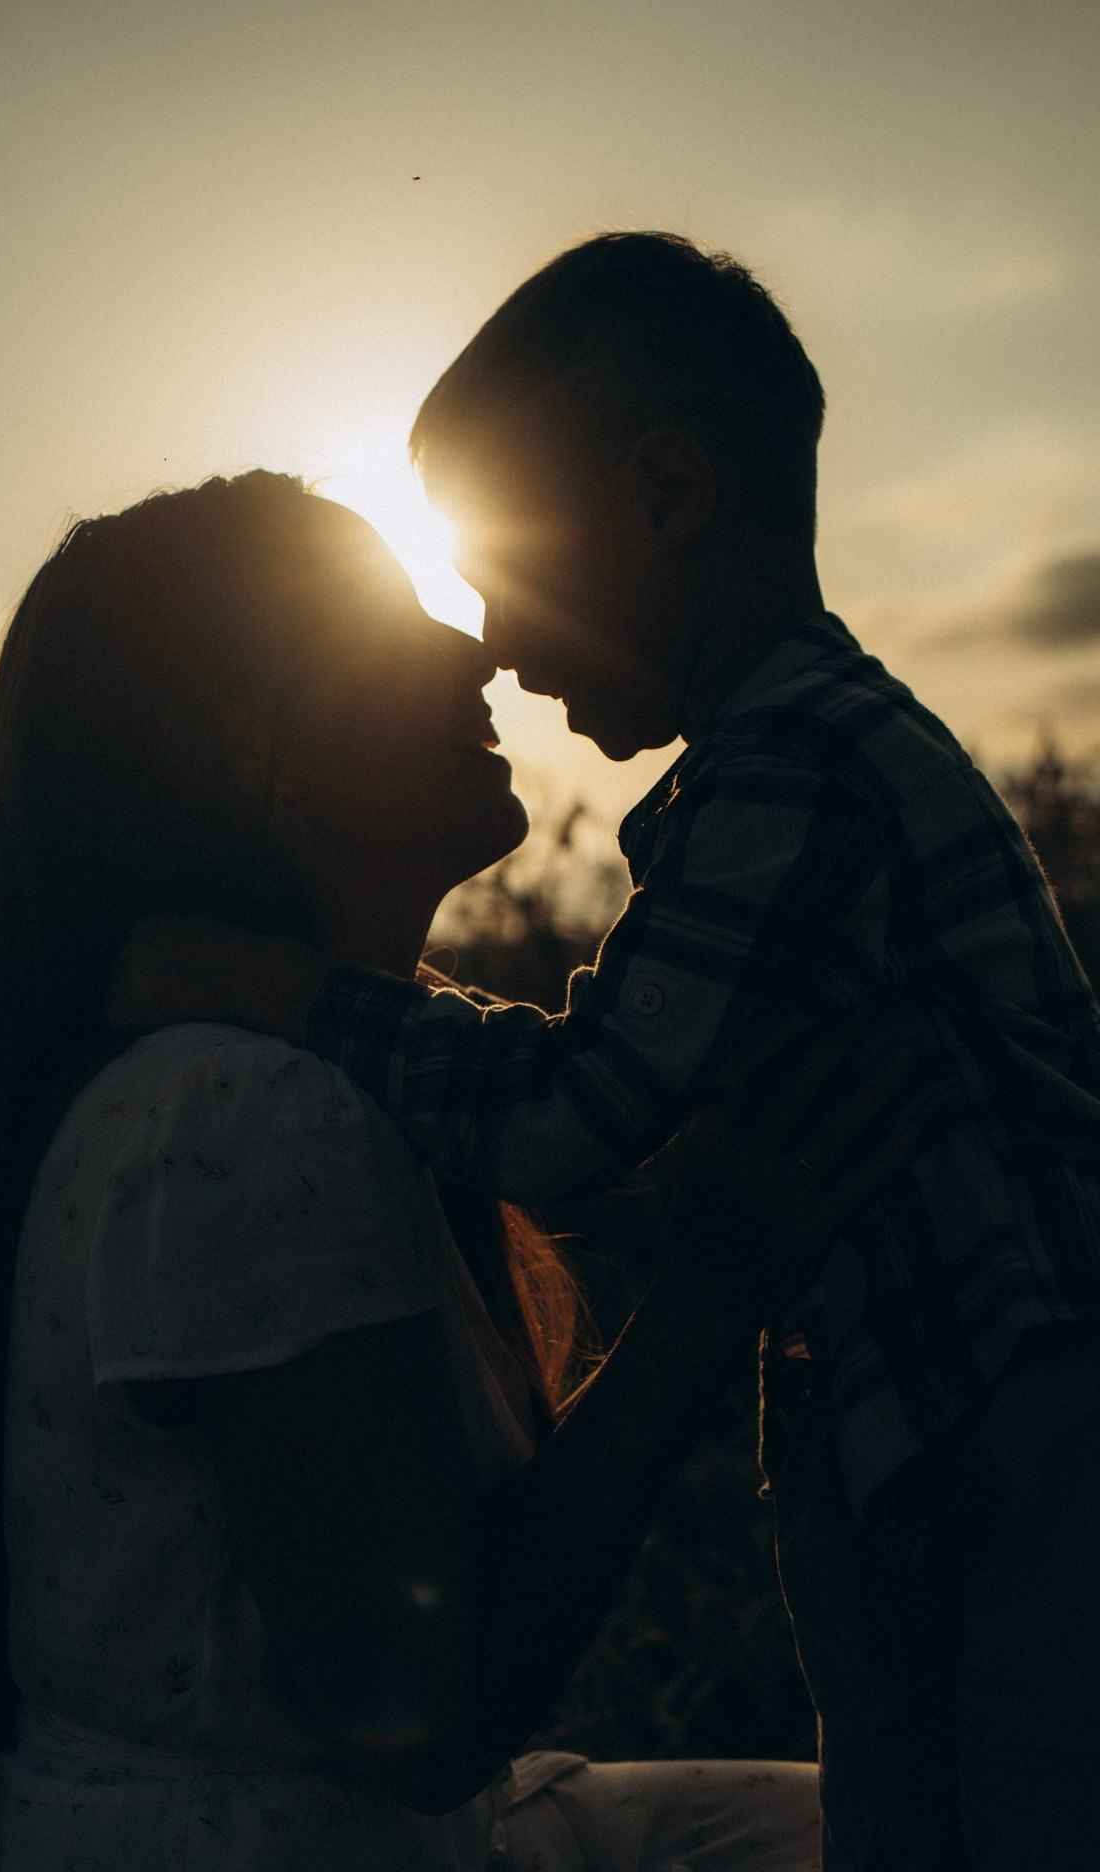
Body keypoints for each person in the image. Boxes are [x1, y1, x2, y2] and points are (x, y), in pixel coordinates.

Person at [116, 237, 1100, 1870]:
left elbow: (575, 1113)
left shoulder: (798, 772)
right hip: (931, 1433)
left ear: (664, 498)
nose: (491, 640)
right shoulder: (791, 767)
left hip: (1030, 1445)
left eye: (504, 567)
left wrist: (294, 991)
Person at [0, 469, 913, 1872]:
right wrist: (710, 1296)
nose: (473, 645)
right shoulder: (242, 1117)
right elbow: (429, 1721)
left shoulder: (307, 1076)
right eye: (388, 616)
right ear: (247, 743)